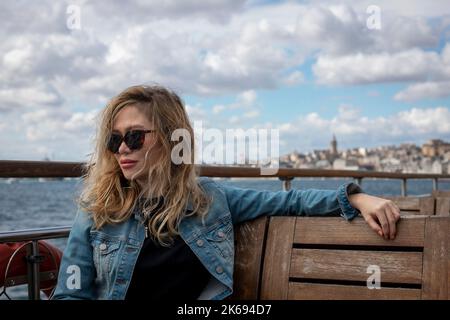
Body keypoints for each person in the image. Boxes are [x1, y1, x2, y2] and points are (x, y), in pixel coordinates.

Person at [53, 85, 400, 300]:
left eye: (135, 136)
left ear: (174, 139)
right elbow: (71, 292)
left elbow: (289, 200)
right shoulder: (98, 209)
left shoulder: (210, 200)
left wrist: (354, 196)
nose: (122, 149)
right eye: (114, 139)